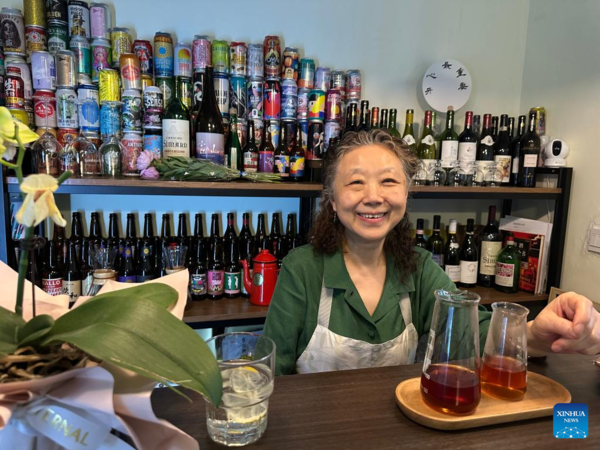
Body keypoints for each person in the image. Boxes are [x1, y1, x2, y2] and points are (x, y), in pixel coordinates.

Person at [263, 129, 600, 375]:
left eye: (389, 182)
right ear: (333, 201)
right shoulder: (302, 268)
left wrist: (538, 332)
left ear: (406, 195)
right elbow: (270, 368)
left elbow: (476, 333)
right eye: (355, 183)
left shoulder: (419, 268)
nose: (373, 196)